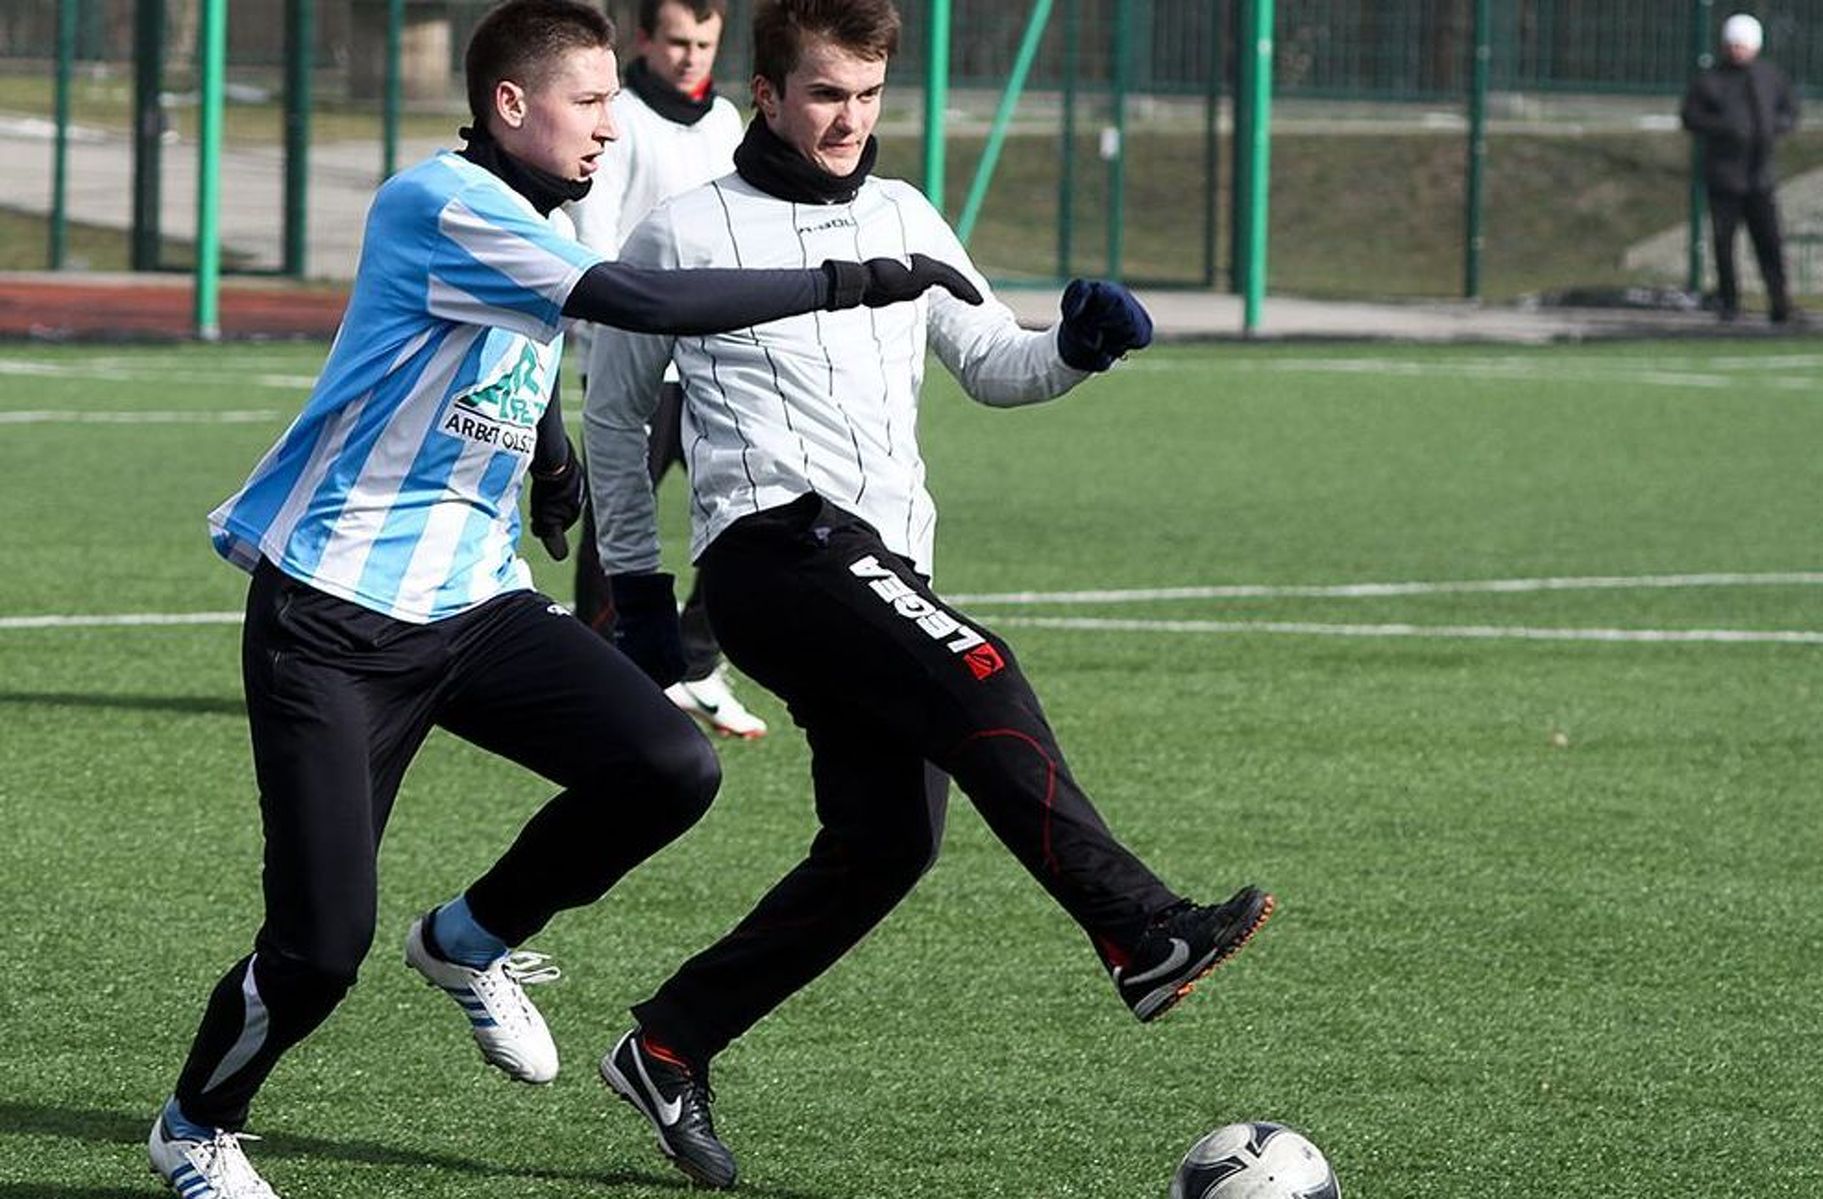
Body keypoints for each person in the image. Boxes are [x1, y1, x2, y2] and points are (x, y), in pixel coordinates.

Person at [143, 1, 980, 1195]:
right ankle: (194, 1124)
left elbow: (507, 338)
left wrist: (547, 455)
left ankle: (470, 938)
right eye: (589, 102)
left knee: (667, 764)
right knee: (321, 948)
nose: (608, 124)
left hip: (474, 604)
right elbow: (635, 305)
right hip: (333, 618)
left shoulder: (532, 212)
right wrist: (851, 276)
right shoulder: (437, 203)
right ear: (510, 105)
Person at [581, 0, 1274, 1188]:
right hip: (775, 553)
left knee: (885, 843)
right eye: (822, 93)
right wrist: (640, 592)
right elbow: (609, 420)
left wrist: (1076, 346)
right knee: (980, 670)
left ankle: (668, 1039)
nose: (847, 118)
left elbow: (995, 366)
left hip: (878, 569)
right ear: (766, 94)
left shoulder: (904, 213)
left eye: (865, 94)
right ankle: (1141, 929)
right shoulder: (683, 233)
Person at [565, 0, 768, 739]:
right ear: (645, 41)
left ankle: (697, 662)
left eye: (703, 44)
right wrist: (619, 317)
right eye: (676, 41)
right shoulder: (619, 121)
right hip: (630, 356)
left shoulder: (722, 123)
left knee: (753, 504)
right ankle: (599, 674)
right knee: (620, 518)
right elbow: (594, 232)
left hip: (712, 357)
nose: (689, 56)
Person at [1681, 12, 1801, 323]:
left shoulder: (1770, 77)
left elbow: (1789, 111)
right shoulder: (1711, 79)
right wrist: (1726, 128)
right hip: (1724, 176)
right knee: (1723, 243)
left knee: (1769, 241)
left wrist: (1776, 126)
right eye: (1733, 45)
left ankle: (1779, 300)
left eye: (1743, 45)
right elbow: (1690, 116)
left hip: (1760, 176)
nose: (1738, 50)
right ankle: (1729, 300)